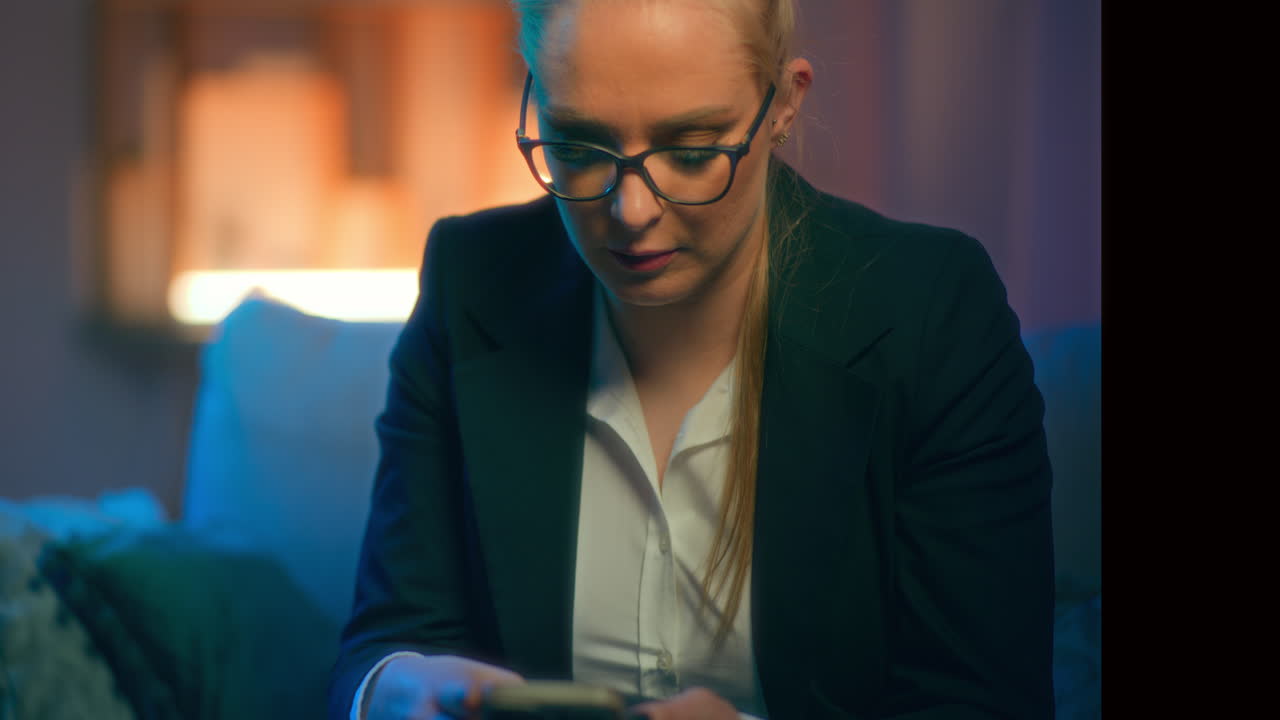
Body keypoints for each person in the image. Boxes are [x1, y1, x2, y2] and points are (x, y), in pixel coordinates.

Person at [329, 0, 1055, 718]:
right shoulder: (470, 281)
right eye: (579, 147)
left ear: (784, 104)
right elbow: (390, 634)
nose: (632, 212)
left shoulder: (931, 312)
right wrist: (386, 691)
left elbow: (986, 700)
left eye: (693, 151)